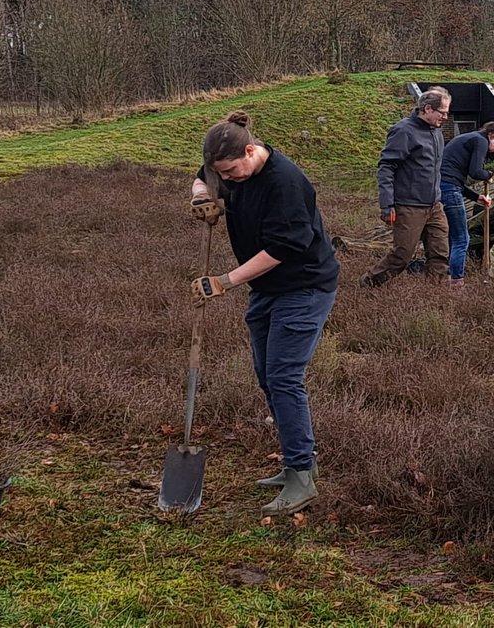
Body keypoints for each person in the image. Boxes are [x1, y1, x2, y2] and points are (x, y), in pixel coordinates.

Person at [188, 110, 339, 517]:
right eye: (224, 174)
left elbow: (281, 249)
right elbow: (203, 174)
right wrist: (201, 196)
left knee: (284, 377)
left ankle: (301, 477)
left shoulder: (285, 183)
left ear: (251, 151)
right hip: (268, 290)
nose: (229, 180)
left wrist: (224, 281)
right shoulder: (225, 164)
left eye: (233, 173)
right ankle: (296, 459)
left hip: (304, 286)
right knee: (265, 376)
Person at [360, 86, 452, 287]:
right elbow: (386, 167)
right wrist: (387, 205)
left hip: (435, 206)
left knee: (440, 253)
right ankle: (368, 284)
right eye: (442, 113)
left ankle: (435, 295)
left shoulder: (437, 132)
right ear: (427, 109)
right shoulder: (403, 131)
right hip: (409, 206)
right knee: (402, 256)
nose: (446, 117)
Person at [440, 118, 494, 287]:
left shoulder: (470, 138)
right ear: (493, 135)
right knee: (461, 238)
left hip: (444, 187)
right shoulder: (480, 140)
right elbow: (475, 171)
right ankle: (457, 282)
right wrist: (488, 175)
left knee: (452, 236)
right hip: (449, 189)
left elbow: (454, 180)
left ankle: (447, 277)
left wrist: (476, 197)